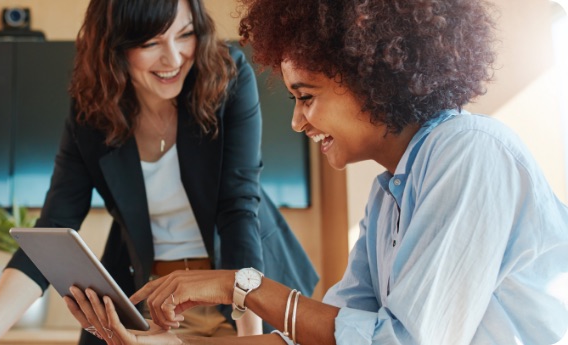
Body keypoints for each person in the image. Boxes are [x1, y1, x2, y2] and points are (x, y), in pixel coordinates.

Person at [70, 0, 568, 344]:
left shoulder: (468, 153)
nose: (297, 120)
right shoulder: (388, 195)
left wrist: (235, 285)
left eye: (306, 97)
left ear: (371, 76)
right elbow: (320, 337)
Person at [0, 0, 318, 344]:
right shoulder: (93, 111)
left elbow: (237, 208)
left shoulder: (227, 77)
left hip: (243, 288)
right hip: (153, 304)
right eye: (151, 42)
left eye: (185, 34)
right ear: (115, 46)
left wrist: (251, 335)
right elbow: (54, 227)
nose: (173, 58)